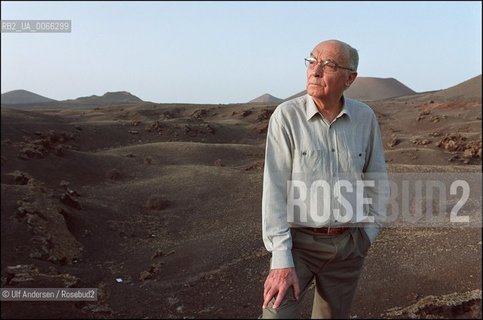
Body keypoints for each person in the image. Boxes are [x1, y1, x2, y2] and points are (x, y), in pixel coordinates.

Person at [260, 39, 390, 319]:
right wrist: (281, 260)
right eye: (312, 60)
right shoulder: (286, 117)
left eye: (328, 65)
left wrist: (368, 234)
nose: (315, 70)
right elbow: (274, 190)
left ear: (349, 78)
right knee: (274, 315)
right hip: (298, 245)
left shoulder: (364, 118)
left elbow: (377, 178)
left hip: (347, 246)